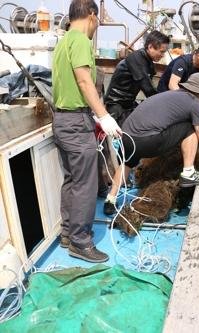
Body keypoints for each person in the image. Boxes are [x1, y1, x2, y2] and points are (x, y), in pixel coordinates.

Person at [52, 0, 121, 263]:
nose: (97, 27)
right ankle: (81, 242)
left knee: (72, 180)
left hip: (61, 120)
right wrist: (103, 116)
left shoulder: (62, 42)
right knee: (86, 184)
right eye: (98, 21)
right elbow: (83, 80)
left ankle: (68, 233)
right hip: (76, 123)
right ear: (91, 15)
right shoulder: (80, 40)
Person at [103, 73, 199, 215]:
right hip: (147, 141)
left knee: (127, 164)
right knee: (188, 127)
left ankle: (110, 199)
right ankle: (188, 173)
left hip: (126, 139)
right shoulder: (195, 103)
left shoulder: (171, 95)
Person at [104, 30, 170, 126]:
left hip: (129, 104)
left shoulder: (148, 61)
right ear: (150, 47)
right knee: (123, 134)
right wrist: (166, 104)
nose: (163, 55)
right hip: (116, 105)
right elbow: (147, 88)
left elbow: (151, 88)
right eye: (161, 52)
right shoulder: (137, 59)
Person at [157, 42, 199, 117]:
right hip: (166, 95)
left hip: (185, 96)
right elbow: (172, 85)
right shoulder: (182, 62)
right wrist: (189, 102)